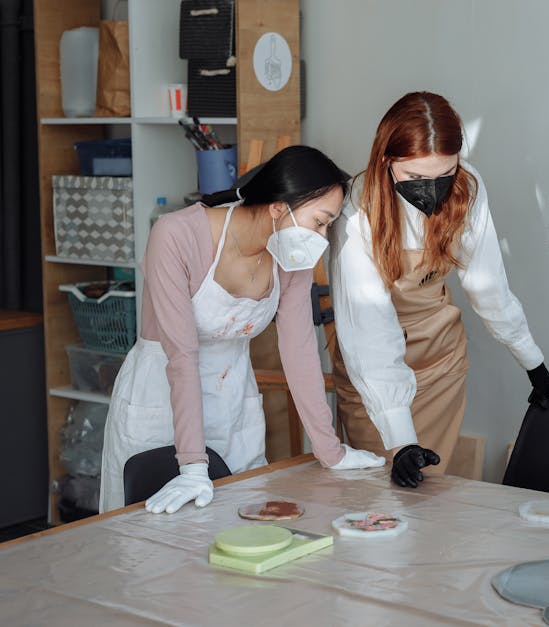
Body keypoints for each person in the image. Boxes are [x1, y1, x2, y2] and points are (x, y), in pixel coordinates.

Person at [99, 146, 385, 514]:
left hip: (233, 402)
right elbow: (182, 355)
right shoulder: (176, 235)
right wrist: (191, 465)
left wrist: (330, 450)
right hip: (161, 400)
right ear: (278, 207)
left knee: (239, 532)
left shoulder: (289, 255)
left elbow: (299, 352)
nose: (323, 236)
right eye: (320, 221)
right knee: (155, 547)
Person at [329, 91, 549, 488]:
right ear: (387, 160)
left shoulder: (466, 187)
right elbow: (369, 328)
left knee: (433, 494)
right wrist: (400, 439)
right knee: (381, 497)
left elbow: (488, 285)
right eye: (416, 178)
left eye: (443, 174)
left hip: (441, 363)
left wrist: (533, 364)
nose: (432, 189)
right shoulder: (356, 208)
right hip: (375, 374)